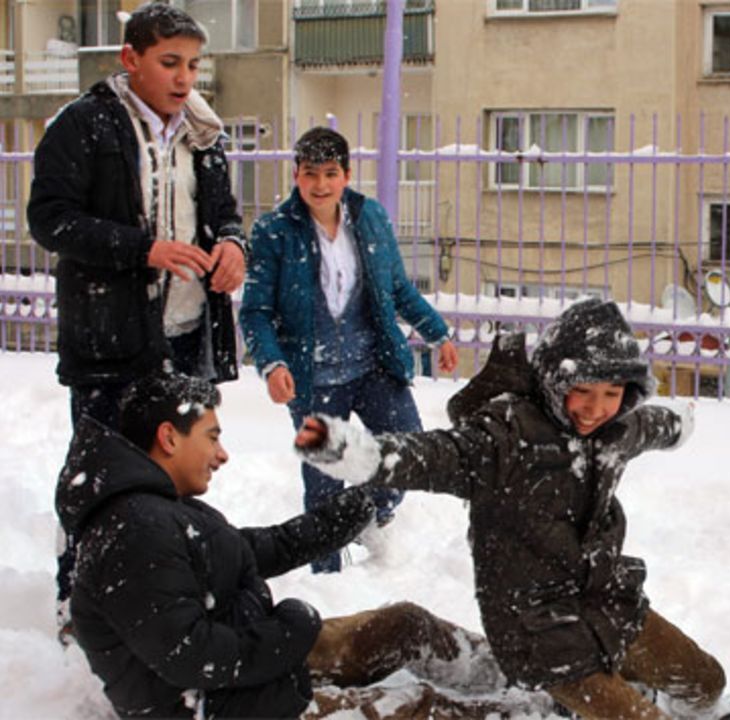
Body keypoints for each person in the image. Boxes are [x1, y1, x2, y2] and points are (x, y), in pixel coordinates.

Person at [294, 298, 730, 720]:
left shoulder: (615, 429)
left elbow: (652, 426)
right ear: (555, 382)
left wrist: (681, 421)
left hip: (608, 605)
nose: (596, 408)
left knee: (708, 680)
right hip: (542, 633)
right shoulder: (507, 437)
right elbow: (435, 456)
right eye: (582, 391)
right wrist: (359, 453)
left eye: (612, 393)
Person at [55, 372, 517, 719]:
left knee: (405, 626)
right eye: (212, 438)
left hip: (248, 676)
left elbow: (244, 551)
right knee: (415, 707)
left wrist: (334, 522)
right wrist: (289, 631)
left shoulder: (155, 509)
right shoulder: (135, 531)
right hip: (225, 708)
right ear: (169, 437)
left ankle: (528, 678)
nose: (222, 454)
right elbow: (193, 659)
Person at [27, 2, 246, 634]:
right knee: (104, 486)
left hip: (181, 339)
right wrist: (140, 248)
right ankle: (84, 612)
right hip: (110, 343)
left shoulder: (204, 131)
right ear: (131, 60)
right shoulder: (84, 125)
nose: (184, 79)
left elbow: (224, 213)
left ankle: (171, 602)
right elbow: (52, 219)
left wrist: (232, 245)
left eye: (194, 65)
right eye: (169, 63)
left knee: (177, 483)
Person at [239, 126, 459, 572]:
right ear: (296, 175)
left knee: (407, 453)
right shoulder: (274, 232)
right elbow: (255, 311)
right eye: (310, 174)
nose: (320, 185)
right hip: (311, 377)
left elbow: (396, 287)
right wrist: (272, 362)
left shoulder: (370, 217)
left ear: (347, 174)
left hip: (373, 366)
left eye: (331, 173)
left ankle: (368, 516)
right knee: (323, 488)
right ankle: (328, 581)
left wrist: (437, 333)